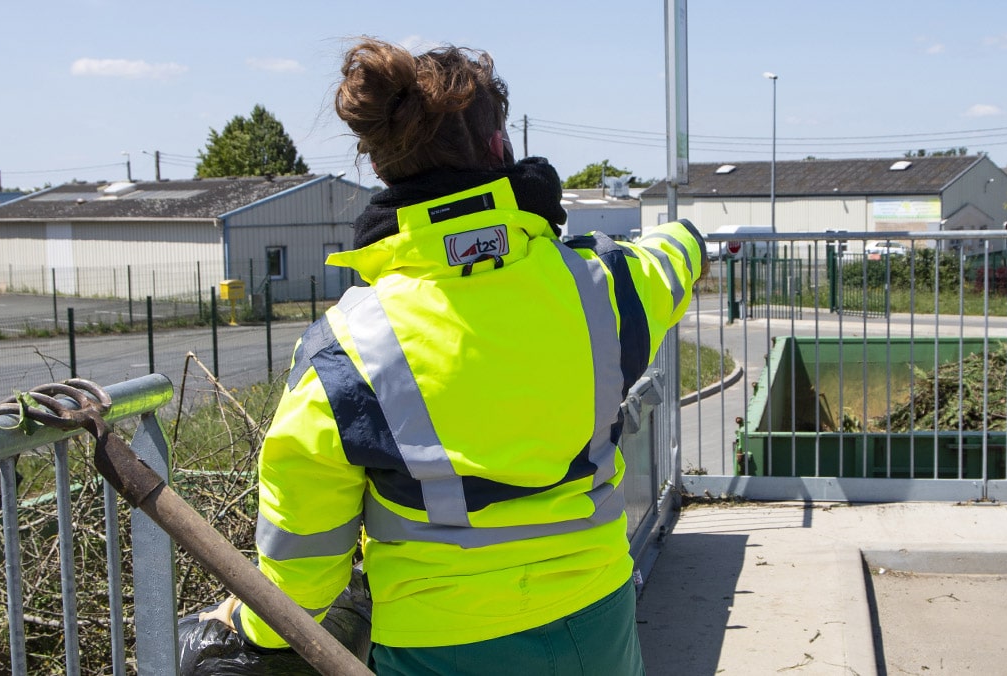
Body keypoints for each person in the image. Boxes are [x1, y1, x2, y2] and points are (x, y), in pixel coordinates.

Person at [211, 37, 706, 675]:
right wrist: (674, 234)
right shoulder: (603, 284)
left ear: (386, 169)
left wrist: (242, 623)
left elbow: (301, 582)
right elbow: (677, 253)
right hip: (597, 622)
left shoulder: (344, 350)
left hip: (440, 649)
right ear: (501, 150)